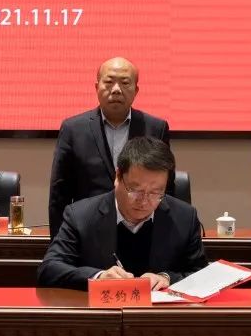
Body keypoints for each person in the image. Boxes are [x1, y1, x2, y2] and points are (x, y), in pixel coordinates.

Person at [38, 137, 206, 291]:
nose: (144, 201)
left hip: (158, 313)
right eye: (135, 190)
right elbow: (49, 270)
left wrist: (167, 278)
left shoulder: (185, 217)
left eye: (156, 192)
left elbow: (203, 275)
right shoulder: (80, 216)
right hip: (102, 312)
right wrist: (99, 277)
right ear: (118, 176)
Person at [48, 56, 170, 237]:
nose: (116, 89)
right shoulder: (73, 129)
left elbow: (168, 190)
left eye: (125, 83)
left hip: (142, 232)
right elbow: (59, 194)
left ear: (136, 90)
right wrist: (59, 243)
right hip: (88, 233)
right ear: (96, 87)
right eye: (109, 82)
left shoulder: (155, 128)